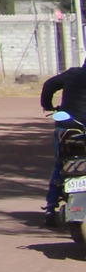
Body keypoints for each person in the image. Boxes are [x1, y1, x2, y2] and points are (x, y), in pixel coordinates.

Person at [41, 64, 86, 225]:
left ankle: (50, 207)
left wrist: (47, 105)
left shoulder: (73, 74)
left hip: (68, 127)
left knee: (62, 163)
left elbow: (49, 85)